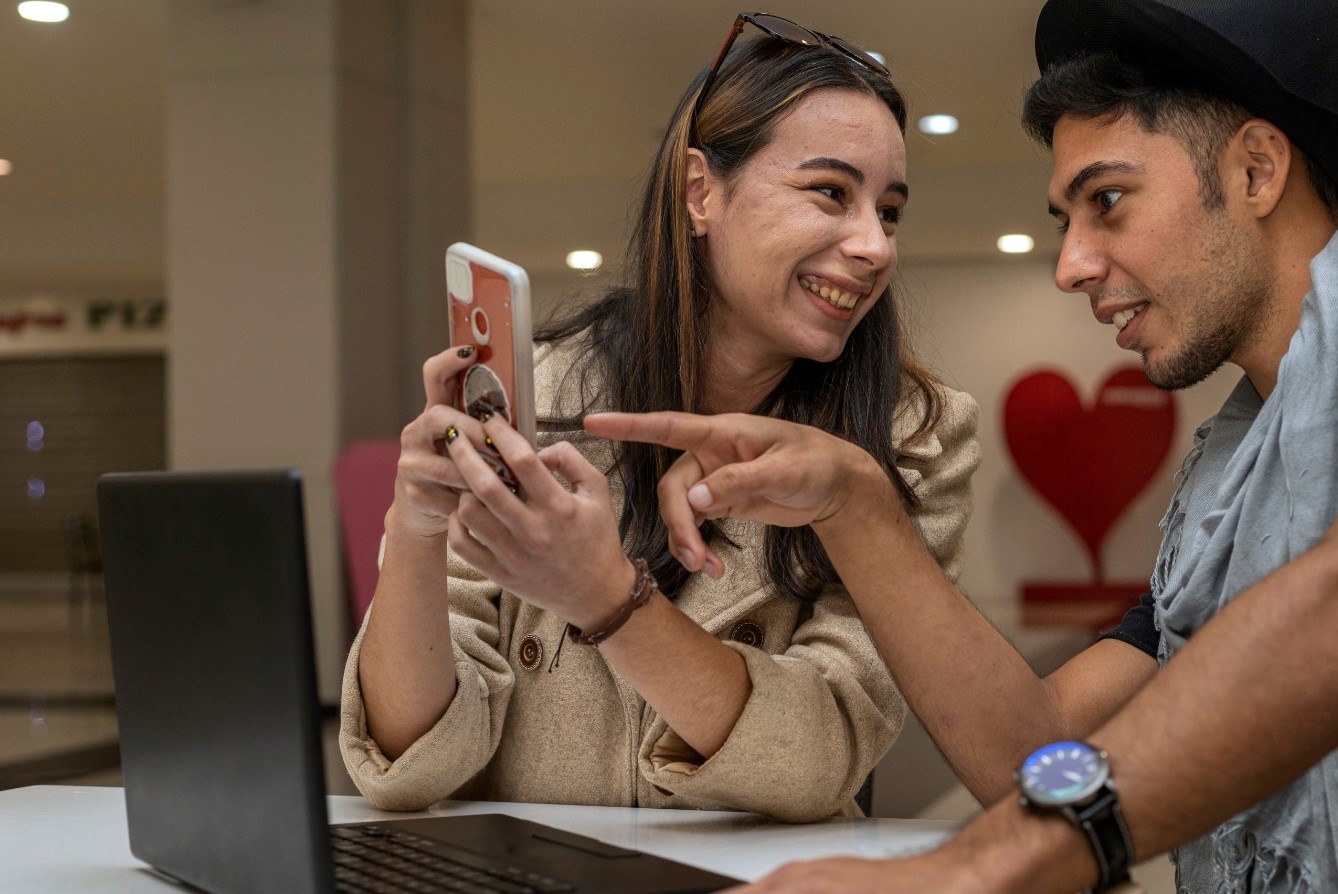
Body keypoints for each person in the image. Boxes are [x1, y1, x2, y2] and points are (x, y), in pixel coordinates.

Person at [587, 0, 1338, 889]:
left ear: (1255, 169)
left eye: (1108, 201)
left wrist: (974, 869)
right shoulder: (1228, 501)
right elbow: (1040, 744)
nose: (1072, 264)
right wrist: (859, 504)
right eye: (1066, 216)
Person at [338, 13, 979, 824]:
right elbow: (403, 771)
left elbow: (821, 756)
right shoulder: (538, 385)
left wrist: (604, 597)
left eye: (888, 211)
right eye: (829, 192)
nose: (874, 246)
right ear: (700, 191)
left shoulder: (914, 433)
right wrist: (417, 534)